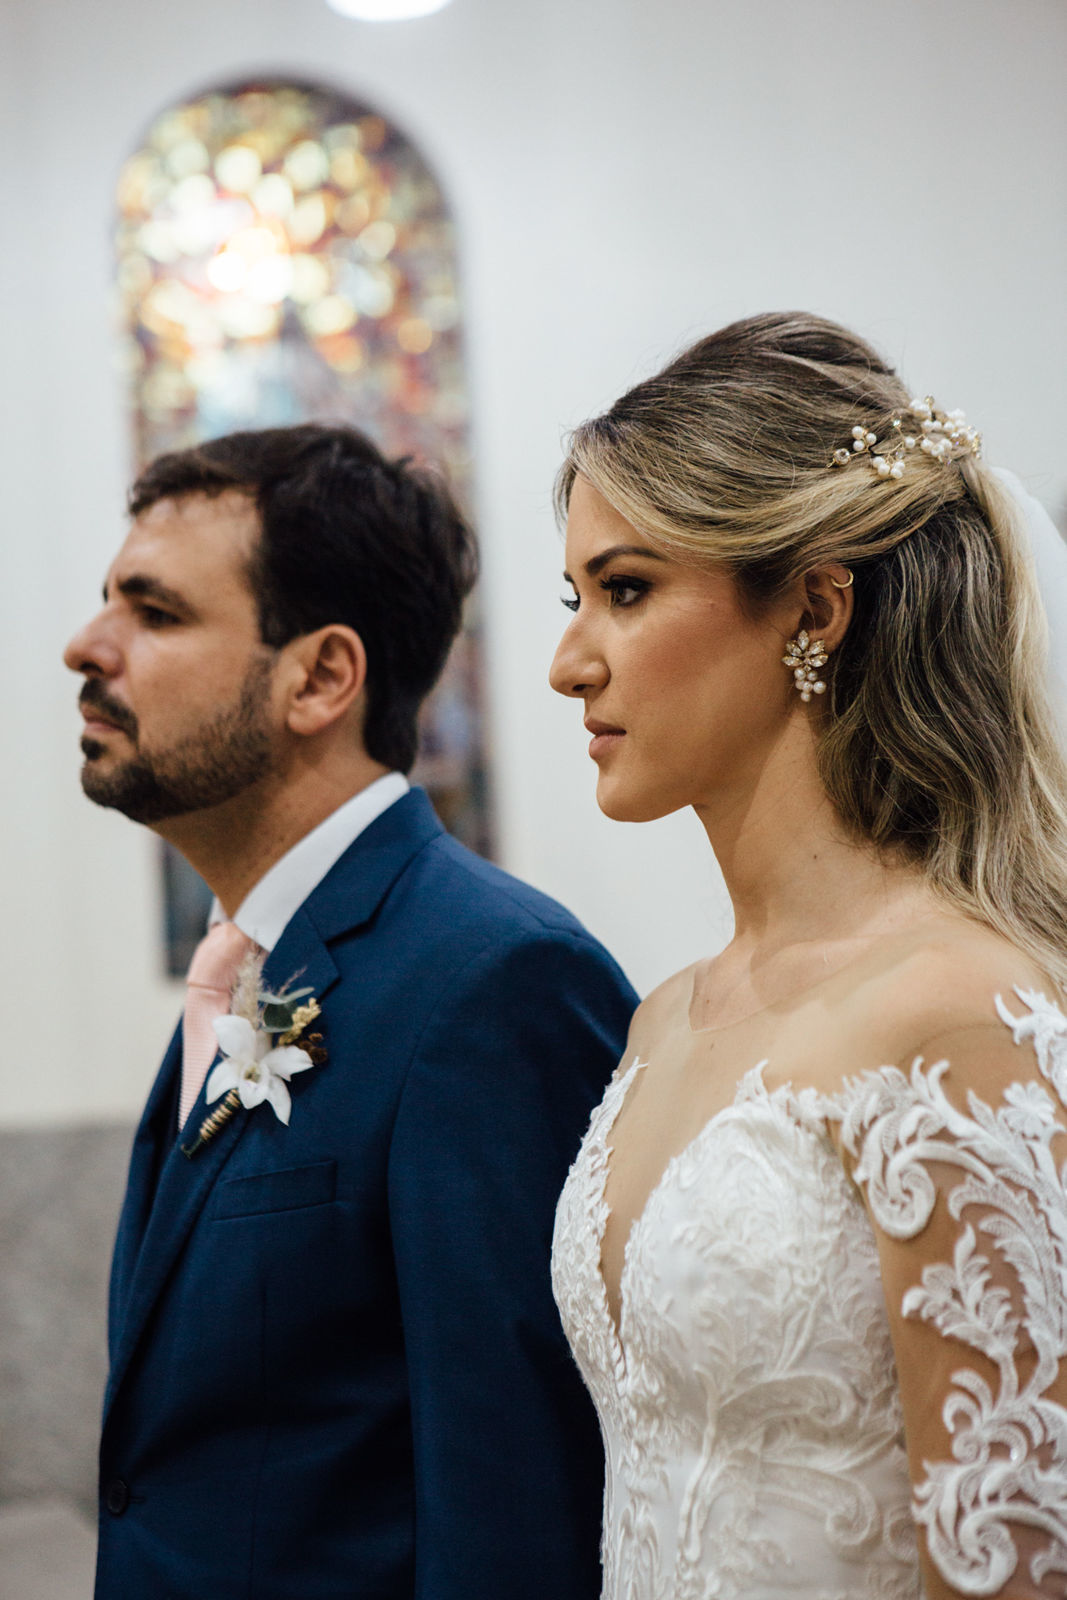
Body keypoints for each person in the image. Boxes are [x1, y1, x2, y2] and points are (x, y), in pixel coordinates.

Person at [64, 422, 637, 1600]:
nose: (87, 645)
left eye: (155, 613)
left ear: (321, 677)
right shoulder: (246, 963)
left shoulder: (492, 981)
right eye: (107, 603)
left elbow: (518, 1511)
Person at [547, 313, 1067, 1600]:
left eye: (624, 589)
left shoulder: (958, 1015)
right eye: (577, 600)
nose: (569, 662)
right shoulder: (660, 1020)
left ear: (816, 607)